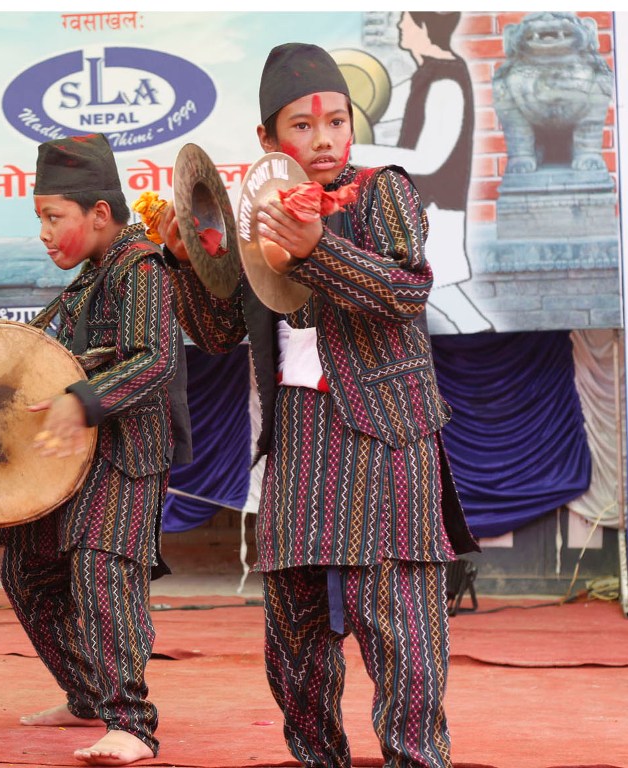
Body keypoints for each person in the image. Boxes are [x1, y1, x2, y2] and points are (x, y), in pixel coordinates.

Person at [155, 44, 479, 768]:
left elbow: (406, 290)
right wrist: (185, 262)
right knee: (294, 638)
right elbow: (217, 332)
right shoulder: (254, 218)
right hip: (300, 437)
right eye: (303, 126)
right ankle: (315, 757)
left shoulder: (380, 191)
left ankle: (416, 759)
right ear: (269, 139)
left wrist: (315, 251)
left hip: (385, 434)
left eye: (337, 121)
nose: (325, 138)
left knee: (401, 630)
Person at [0, 132, 184, 766]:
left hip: (126, 452)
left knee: (103, 571)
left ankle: (132, 723)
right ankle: (86, 695)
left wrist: (82, 400)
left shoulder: (142, 267)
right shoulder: (87, 282)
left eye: (54, 217)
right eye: (40, 218)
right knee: (27, 572)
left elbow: (155, 359)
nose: (44, 233)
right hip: (71, 457)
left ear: (100, 213)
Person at [351, 11, 493, 333]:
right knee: (441, 297)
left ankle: (484, 347)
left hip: (436, 211)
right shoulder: (430, 73)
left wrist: (355, 154)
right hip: (424, 210)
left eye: (407, 20)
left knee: (443, 295)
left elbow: (429, 159)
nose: (401, 25)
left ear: (425, 27)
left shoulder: (446, 80)